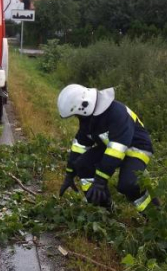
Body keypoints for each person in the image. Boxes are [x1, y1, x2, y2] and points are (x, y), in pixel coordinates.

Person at [57, 84, 156, 212]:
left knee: (128, 185)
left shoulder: (116, 112)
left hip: (136, 147)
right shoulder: (89, 119)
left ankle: (154, 213)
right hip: (112, 146)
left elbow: (117, 149)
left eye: (77, 114)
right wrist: (69, 174)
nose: (77, 118)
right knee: (82, 165)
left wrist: (100, 180)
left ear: (84, 107)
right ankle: (104, 208)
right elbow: (80, 145)